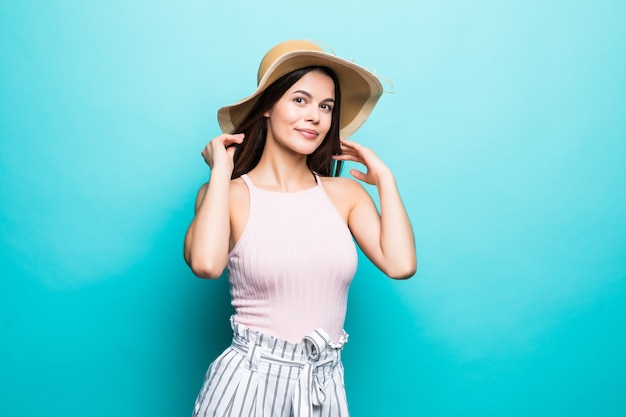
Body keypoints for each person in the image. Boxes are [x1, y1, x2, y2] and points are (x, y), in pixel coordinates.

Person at [184, 39, 416, 417]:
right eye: (300, 100)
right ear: (266, 108)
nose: (315, 116)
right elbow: (206, 265)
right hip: (248, 382)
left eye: (326, 107)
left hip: (322, 385)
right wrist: (222, 173)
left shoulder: (346, 195)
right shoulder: (227, 195)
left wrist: (385, 179)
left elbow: (401, 264)